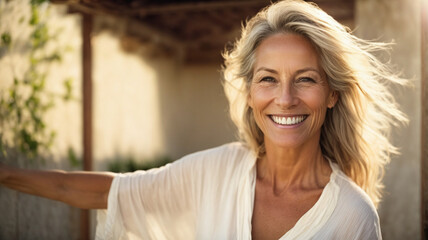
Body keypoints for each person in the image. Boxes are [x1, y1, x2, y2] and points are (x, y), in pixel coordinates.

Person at [0, 0, 407, 239]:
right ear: (249, 93)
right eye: (268, 79)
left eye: (305, 79)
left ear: (332, 92)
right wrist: (5, 175)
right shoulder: (216, 171)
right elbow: (109, 192)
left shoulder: (353, 216)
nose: (285, 99)